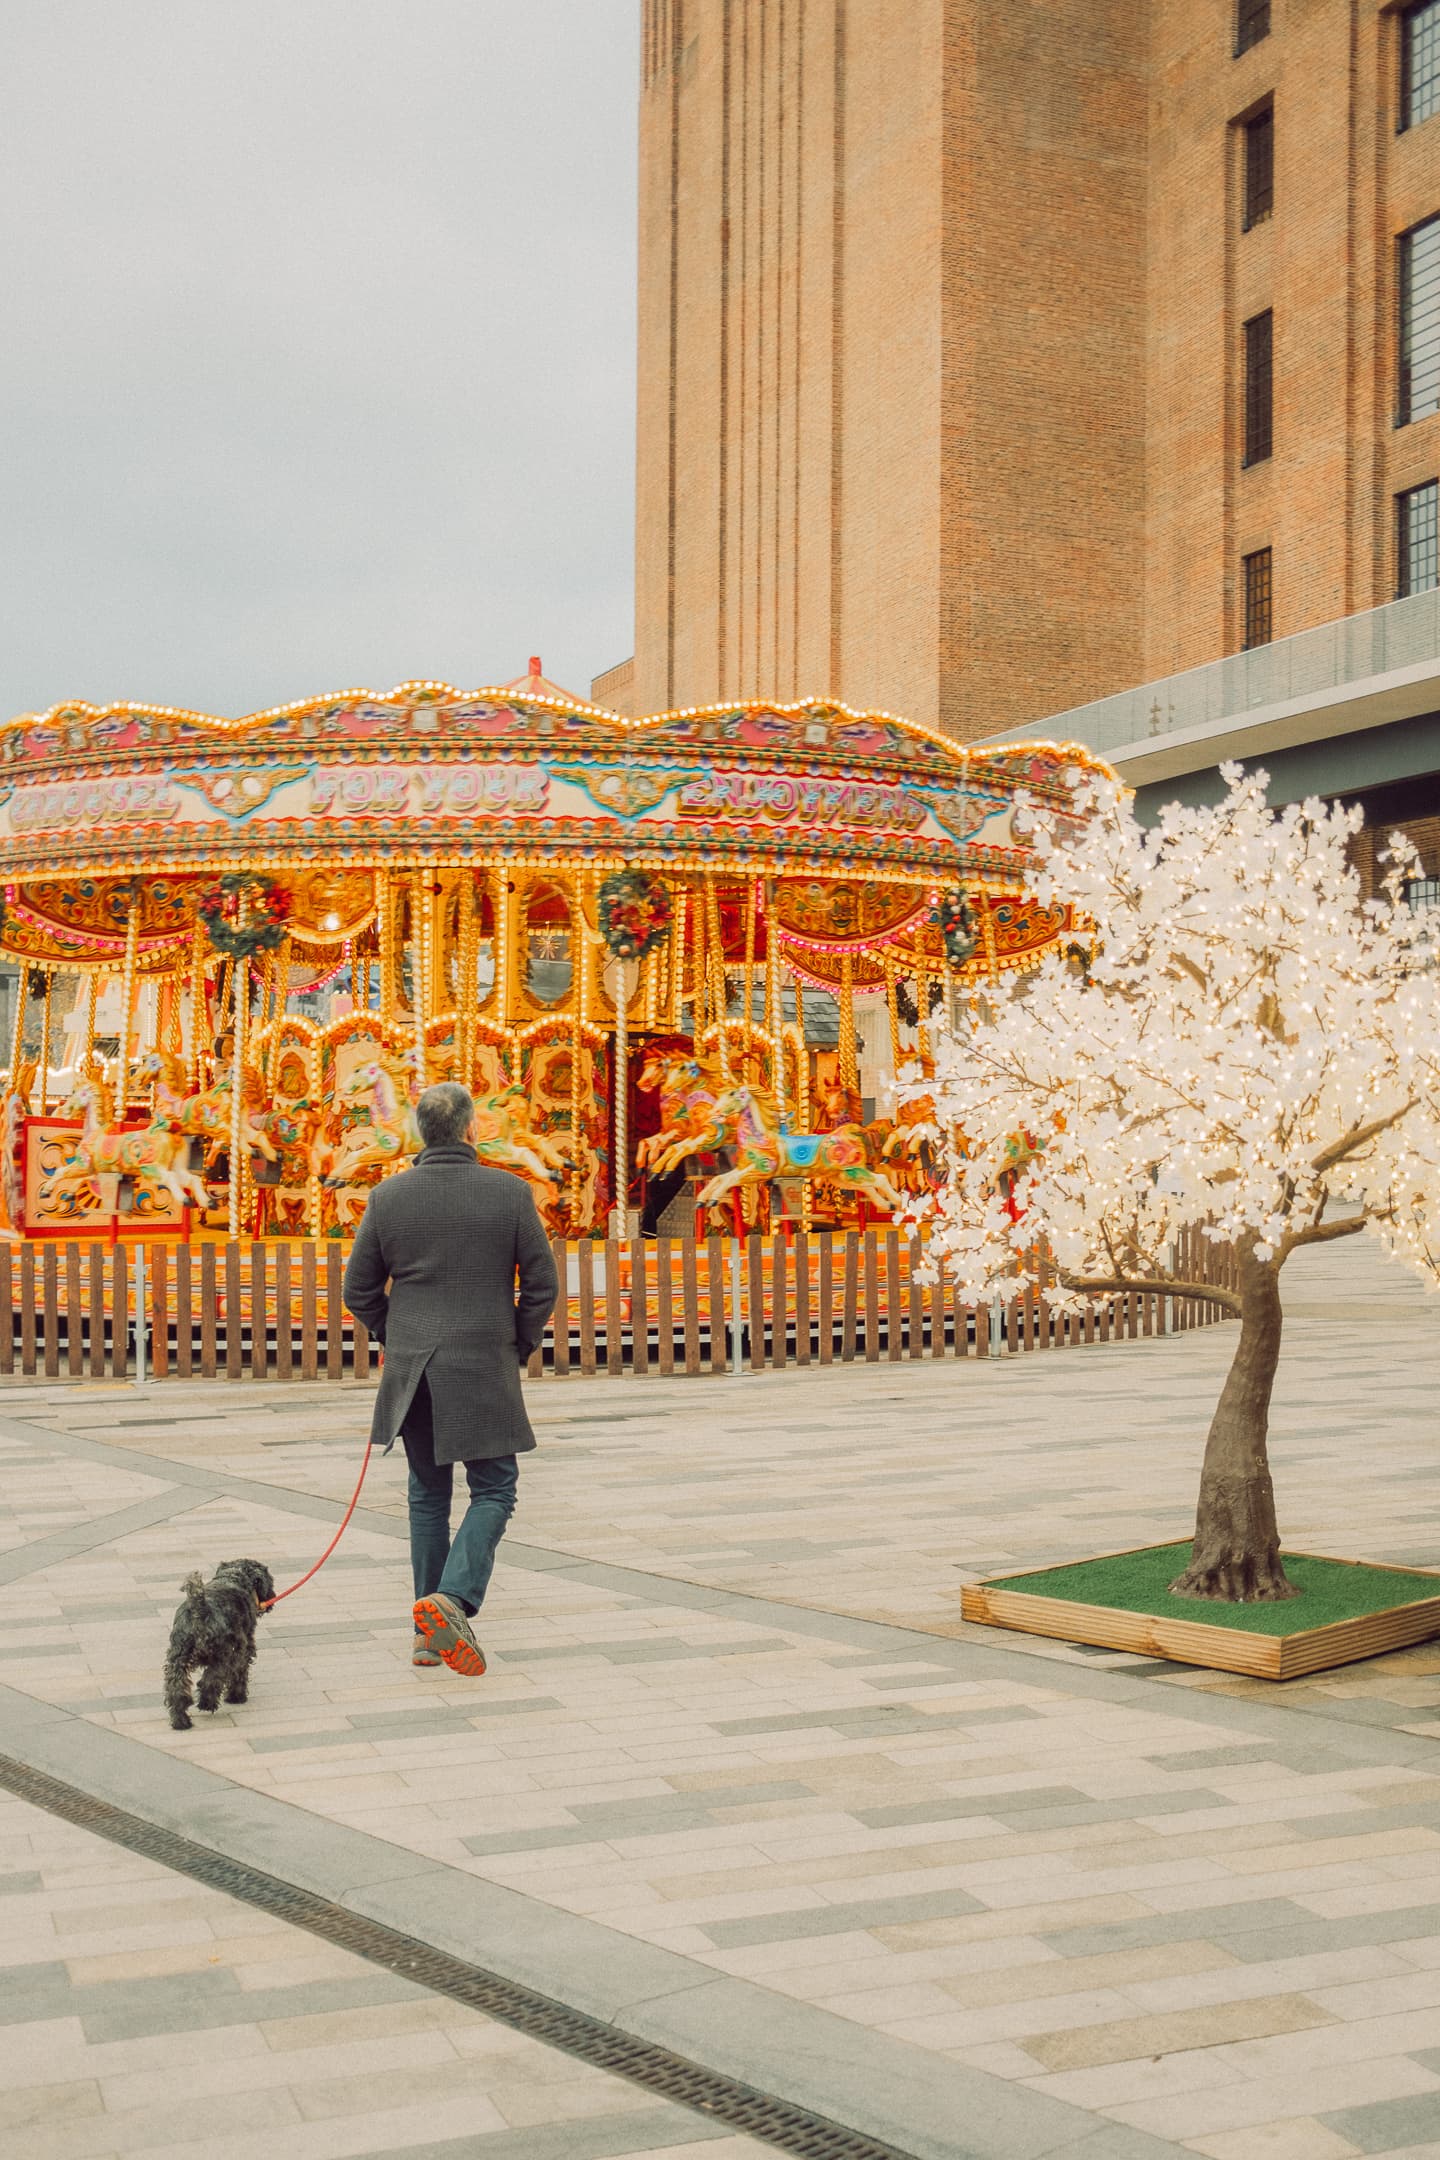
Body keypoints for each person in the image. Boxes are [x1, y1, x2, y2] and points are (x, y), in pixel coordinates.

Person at [343, 1080, 558, 1676]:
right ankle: (451, 1600)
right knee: (495, 1489)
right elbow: (542, 1283)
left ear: (420, 1133)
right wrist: (516, 1338)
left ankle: (424, 1633)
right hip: (483, 1363)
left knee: (427, 1496)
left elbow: (357, 1289)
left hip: (416, 1370)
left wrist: (398, 1333)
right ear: (471, 1130)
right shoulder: (510, 1193)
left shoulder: (388, 1196)